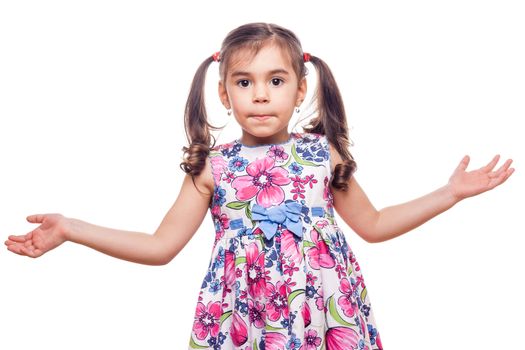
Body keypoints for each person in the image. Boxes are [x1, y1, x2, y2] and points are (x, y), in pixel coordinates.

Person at [4, 22, 514, 350]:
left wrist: (449, 193)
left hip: (320, 314)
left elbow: (375, 226)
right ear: (225, 94)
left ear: (299, 88)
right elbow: (159, 246)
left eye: (276, 80)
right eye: (244, 82)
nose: (261, 95)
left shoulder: (322, 154)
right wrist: (72, 228)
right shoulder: (213, 166)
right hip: (242, 320)